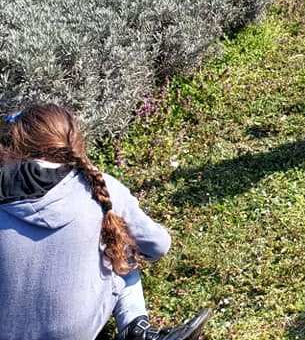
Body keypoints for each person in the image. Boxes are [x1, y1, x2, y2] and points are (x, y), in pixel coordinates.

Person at [0, 103, 211, 340]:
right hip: (75, 333)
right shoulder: (100, 187)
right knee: (120, 250)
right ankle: (138, 331)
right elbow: (158, 245)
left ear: (14, 146)